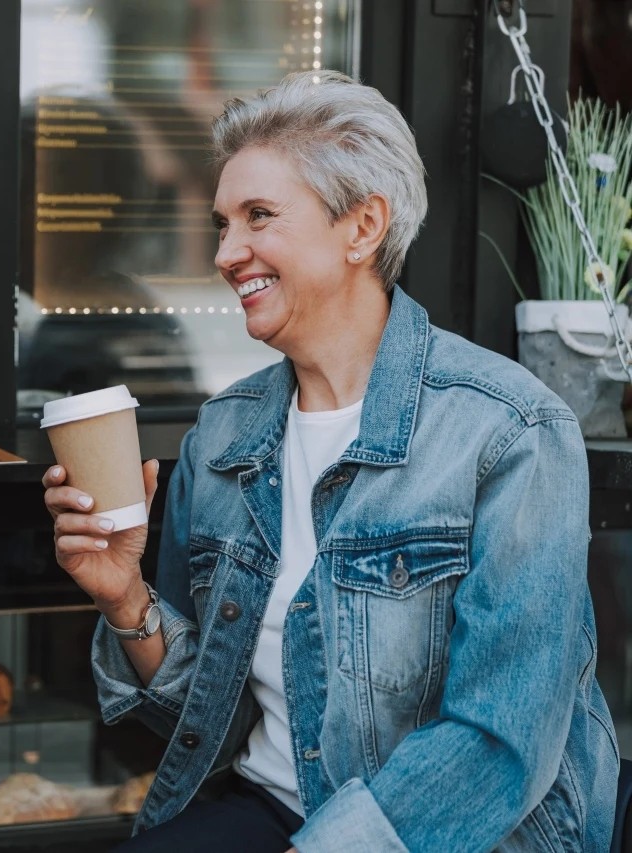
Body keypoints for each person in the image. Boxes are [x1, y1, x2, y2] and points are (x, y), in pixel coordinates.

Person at [43, 71, 619, 853]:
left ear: (363, 228)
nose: (226, 251)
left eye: (259, 217)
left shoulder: (510, 430)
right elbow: (198, 720)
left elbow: (498, 743)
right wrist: (127, 603)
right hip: (272, 807)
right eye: (222, 224)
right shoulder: (224, 433)